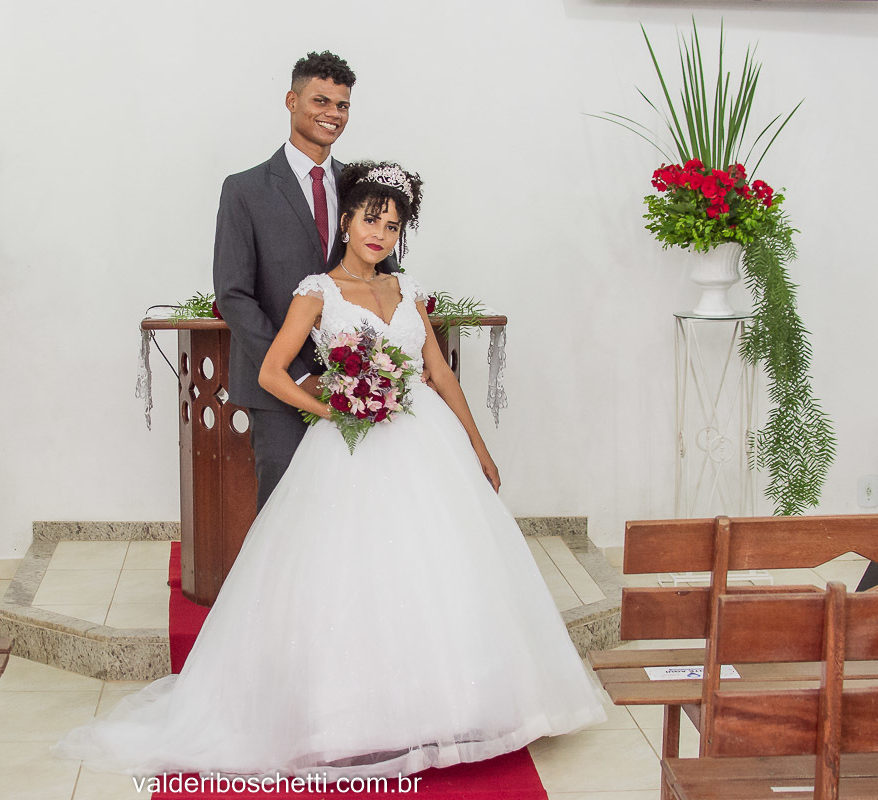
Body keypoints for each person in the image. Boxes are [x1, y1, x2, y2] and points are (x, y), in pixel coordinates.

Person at [53, 162, 606, 779]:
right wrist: (334, 409)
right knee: (354, 572)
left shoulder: (407, 290)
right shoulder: (317, 290)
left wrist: (479, 447)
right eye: (372, 218)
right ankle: (356, 714)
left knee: (439, 564)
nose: (381, 234)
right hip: (352, 448)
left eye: (393, 226)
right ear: (346, 219)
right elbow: (270, 373)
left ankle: (449, 709)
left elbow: (439, 374)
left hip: (425, 438)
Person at [213, 50, 399, 512]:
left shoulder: (360, 187)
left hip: (356, 382)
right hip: (279, 388)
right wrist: (298, 372)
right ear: (292, 100)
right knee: (285, 513)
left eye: (342, 106)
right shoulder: (244, 189)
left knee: (355, 511)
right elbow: (233, 294)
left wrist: (374, 368)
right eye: (321, 101)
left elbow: (378, 268)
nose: (332, 114)